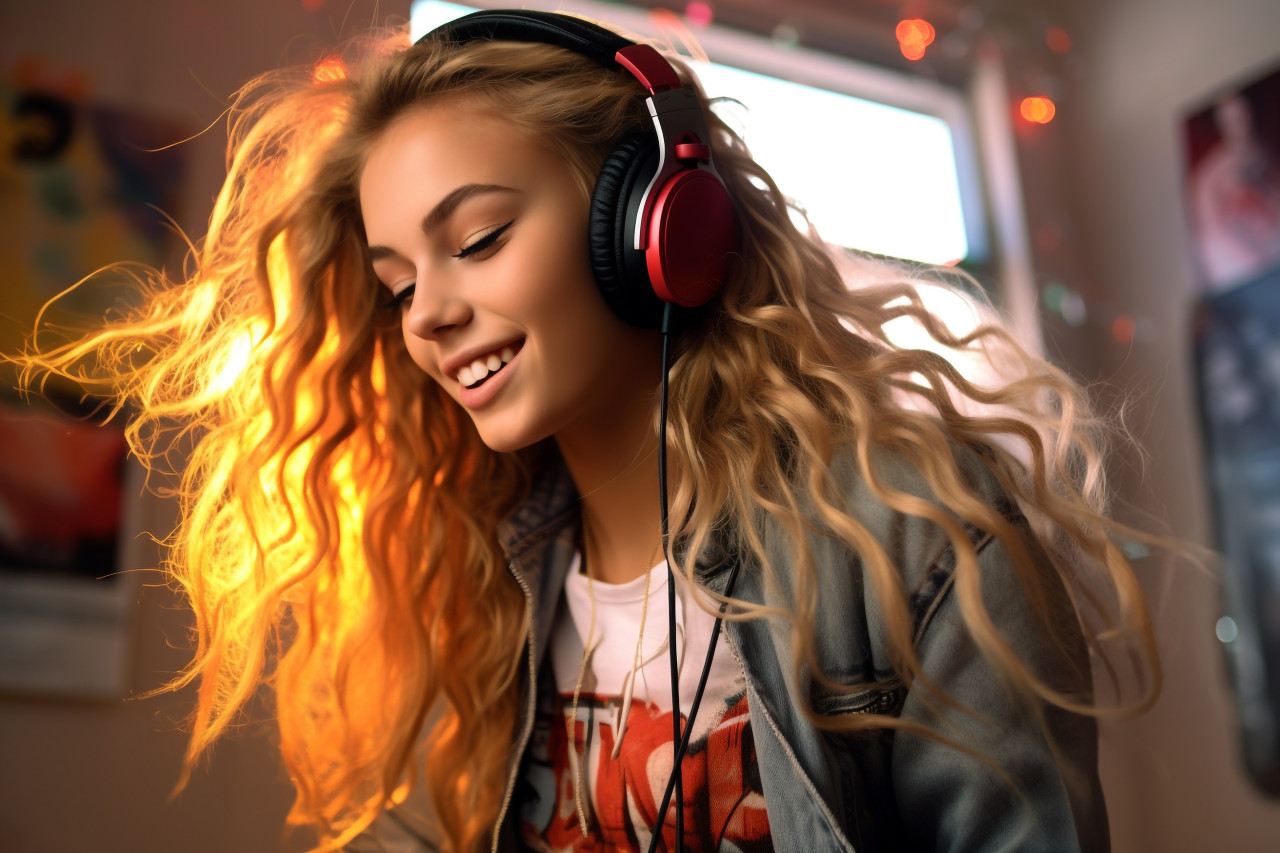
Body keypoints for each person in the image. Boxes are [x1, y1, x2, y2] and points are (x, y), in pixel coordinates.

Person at [14, 9, 1161, 853]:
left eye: (477, 240)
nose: (430, 315)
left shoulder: (914, 535)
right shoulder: (478, 575)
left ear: (655, 223)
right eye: (397, 280)